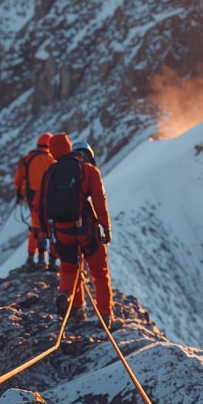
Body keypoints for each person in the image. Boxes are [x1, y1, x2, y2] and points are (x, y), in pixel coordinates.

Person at [39, 133, 115, 327]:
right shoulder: (88, 170)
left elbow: (42, 204)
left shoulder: (50, 172)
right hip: (86, 229)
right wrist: (106, 228)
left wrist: (46, 232)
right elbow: (99, 201)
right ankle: (105, 315)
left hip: (61, 231)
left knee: (69, 268)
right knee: (99, 272)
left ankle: (70, 300)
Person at [14, 133, 56, 268]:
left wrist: (19, 195)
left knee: (35, 226)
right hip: (46, 199)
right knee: (44, 226)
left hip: (30, 198)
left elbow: (18, 180)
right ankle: (42, 258)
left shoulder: (27, 159)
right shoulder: (51, 161)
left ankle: (32, 257)